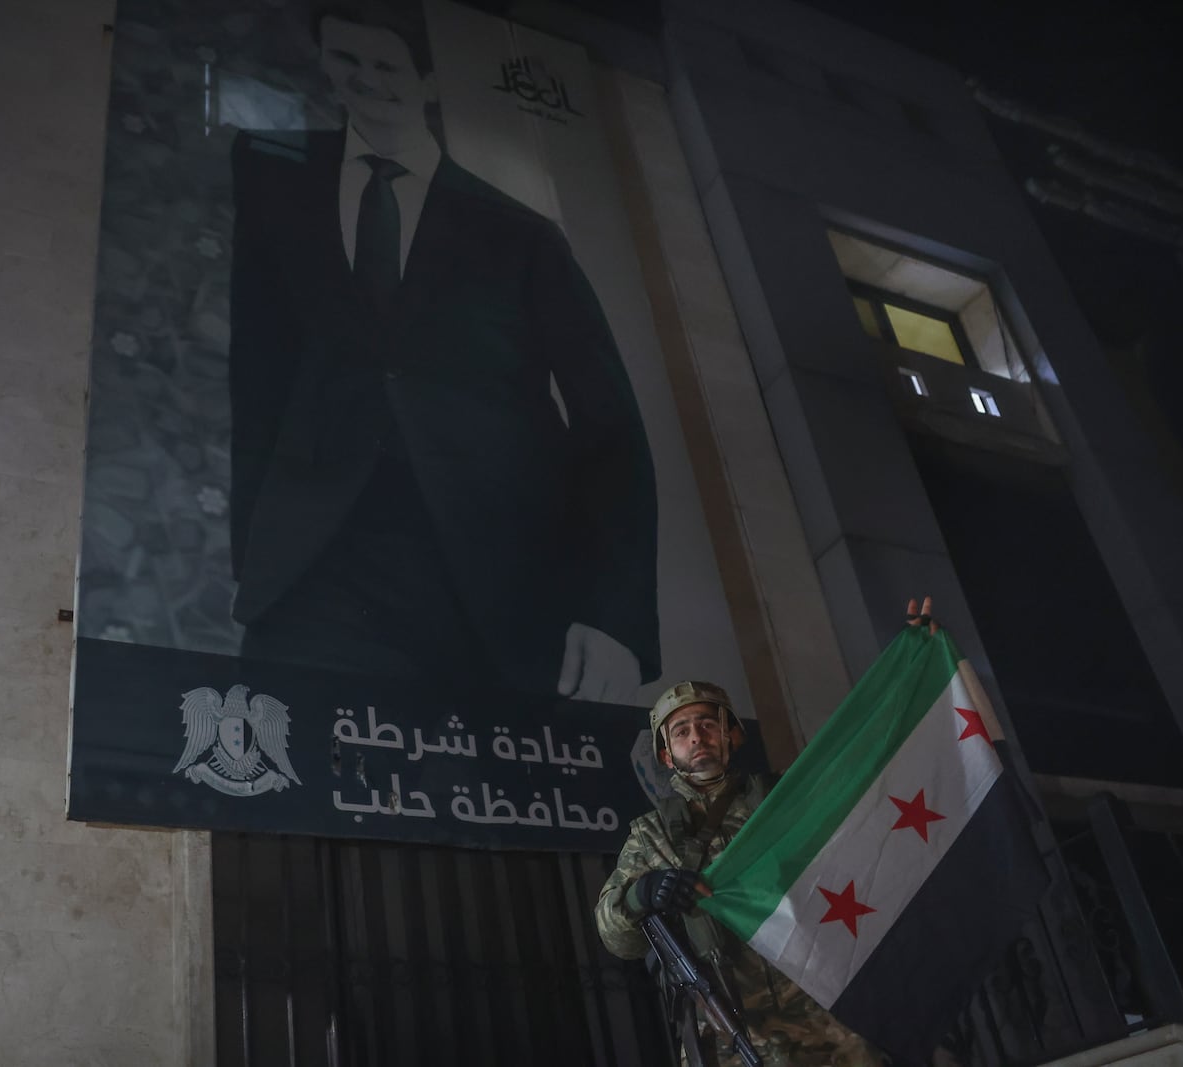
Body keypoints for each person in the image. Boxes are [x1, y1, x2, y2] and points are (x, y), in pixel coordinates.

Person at [226, 0, 660, 702]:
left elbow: (610, 429)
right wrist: (254, 548)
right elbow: (257, 373)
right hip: (321, 563)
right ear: (325, 64)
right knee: (289, 774)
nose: (367, 80)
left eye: (387, 64)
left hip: (494, 572)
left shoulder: (522, 237)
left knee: (476, 794)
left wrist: (612, 615)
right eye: (347, 60)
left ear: (426, 79)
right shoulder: (276, 183)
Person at [593, 597, 942, 1065]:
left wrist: (917, 663)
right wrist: (644, 893)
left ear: (730, 735)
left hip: (831, 1018)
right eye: (680, 732)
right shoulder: (652, 835)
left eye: (706, 724)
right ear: (665, 755)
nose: (695, 736)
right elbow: (617, 937)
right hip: (732, 1033)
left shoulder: (784, 802)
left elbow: (870, 775)